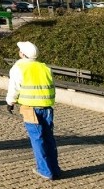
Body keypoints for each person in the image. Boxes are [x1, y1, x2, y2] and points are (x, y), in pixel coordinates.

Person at [6, 41, 62, 181]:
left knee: (38, 140)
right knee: (49, 139)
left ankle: (44, 170)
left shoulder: (18, 68)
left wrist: (10, 102)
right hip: (47, 108)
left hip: (30, 109)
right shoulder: (45, 68)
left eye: (20, 51)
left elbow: (14, 87)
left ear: (23, 54)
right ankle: (55, 169)